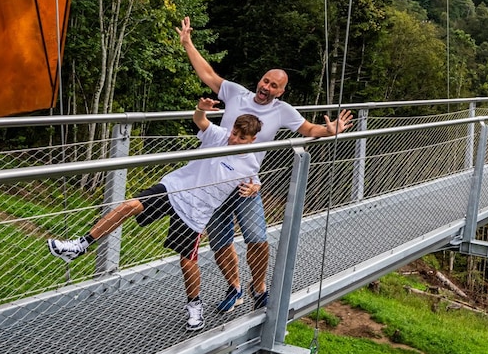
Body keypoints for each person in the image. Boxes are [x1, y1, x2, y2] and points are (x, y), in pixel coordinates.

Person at [178, 17, 353, 313]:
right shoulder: (236, 93)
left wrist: (330, 130)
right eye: (265, 81)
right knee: (220, 242)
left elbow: (309, 130)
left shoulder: (281, 111)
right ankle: (234, 288)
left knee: (257, 239)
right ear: (259, 81)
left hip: (247, 184)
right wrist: (187, 43)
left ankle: (258, 288)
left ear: (280, 91)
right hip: (215, 181)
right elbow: (208, 74)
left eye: (274, 86)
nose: (266, 87)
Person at [47, 100, 263, 332]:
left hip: (196, 212)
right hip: (174, 188)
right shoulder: (218, 136)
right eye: (234, 133)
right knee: (130, 205)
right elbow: (200, 120)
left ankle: (194, 306)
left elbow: (255, 183)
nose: (234, 139)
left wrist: (253, 189)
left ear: (252, 140)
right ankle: (80, 245)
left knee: (187, 260)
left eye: (241, 138)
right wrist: (201, 108)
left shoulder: (250, 164)